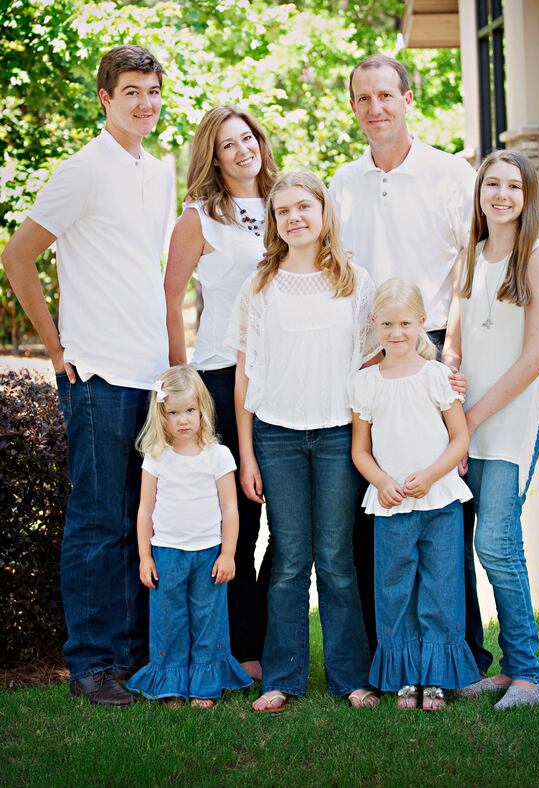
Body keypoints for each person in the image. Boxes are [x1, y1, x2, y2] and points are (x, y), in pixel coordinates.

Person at [1, 46, 173, 706]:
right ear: (105, 97)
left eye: (153, 91)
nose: (144, 103)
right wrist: (55, 347)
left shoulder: (158, 173)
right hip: (96, 371)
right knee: (98, 523)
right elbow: (18, 257)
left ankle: (130, 658)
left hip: (148, 373)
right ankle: (90, 665)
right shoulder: (81, 170)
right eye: (131, 91)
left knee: (138, 522)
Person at [329, 53, 491, 672]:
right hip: (372, 354)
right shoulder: (342, 184)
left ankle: (463, 652)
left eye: (385, 96)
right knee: (380, 506)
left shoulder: (451, 174)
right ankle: (389, 655)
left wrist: (449, 346)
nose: (375, 109)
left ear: (408, 99)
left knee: (449, 507)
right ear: (353, 107)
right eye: (363, 98)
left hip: (436, 344)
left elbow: (469, 265)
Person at [227, 171, 378, 713]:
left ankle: (350, 677)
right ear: (274, 222)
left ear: (322, 213)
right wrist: (246, 452)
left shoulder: (355, 281)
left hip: (339, 434)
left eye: (303, 207)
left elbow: (371, 364)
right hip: (277, 435)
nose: (294, 218)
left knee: (337, 557)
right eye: (283, 210)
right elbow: (245, 375)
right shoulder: (259, 287)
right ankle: (282, 677)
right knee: (289, 558)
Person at [164, 104, 277, 681]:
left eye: (247, 138)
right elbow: (172, 297)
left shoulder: (287, 204)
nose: (241, 150)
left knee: (288, 520)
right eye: (227, 144)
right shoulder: (199, 217)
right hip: (217, 375)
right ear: (213, 155)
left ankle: (275, 642)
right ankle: (241, 650)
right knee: (239, 522)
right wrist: (180, 381)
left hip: (282, 377)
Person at [444, 150, 539, 710]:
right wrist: (449, 380)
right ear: (480, 192)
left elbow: (534, 357)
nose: (502, 194)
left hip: (507, 425)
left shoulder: (536, 258)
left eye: (513, 185)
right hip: (467, 423)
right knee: (471, 545)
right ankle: (508, 670)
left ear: (526, 195)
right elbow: (455, 340)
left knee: (497, 545)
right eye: (493, 184)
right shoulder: (471, 255)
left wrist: (474, 417)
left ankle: (531, 675)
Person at [350, 278, 480, 711]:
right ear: (374, 323)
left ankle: (437, 678)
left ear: (423, 322)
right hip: (391, 505)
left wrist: (430, 474)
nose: (396, 332)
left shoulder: (436, 376)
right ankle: (406, 677)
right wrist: (382, 482)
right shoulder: (366, 383)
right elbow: (360, 450)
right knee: (394, 589)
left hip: (439, 501)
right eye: (387, 323)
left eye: (406, 323)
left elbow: (459, 439)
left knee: (440, 587)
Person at [125, 365, 252, 707]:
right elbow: (144, 512)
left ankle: (204, 683)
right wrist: (145, 556)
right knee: (170, 620)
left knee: (208, 618)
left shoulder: (217, 455)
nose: (183, 419)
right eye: (174, 412)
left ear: (202, 410)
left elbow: (230, 510)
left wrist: (228, 554)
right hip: (166, 553)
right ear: (161, 415)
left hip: (209, 553)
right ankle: (171, 681)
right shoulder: (156, 458)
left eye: (190, 410)